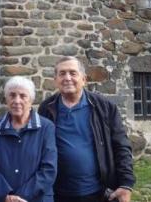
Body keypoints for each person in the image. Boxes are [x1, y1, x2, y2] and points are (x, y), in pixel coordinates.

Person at [38, 57, 135, 202]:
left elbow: (121, 146)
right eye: (62, 73)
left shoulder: (104, 107)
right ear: (55, 80)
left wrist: (126, 184)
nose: (67, 78)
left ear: (84, 79)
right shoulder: (46, 109)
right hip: (59, 193)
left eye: (73, 73)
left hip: (99, 192)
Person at [0, 76, 57, 202]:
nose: (17, 100)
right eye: (12, 95)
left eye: (23, 96)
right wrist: (6, 194)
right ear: (6, 98)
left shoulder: (46, 127)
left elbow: (49, 169)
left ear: (31, 100)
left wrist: (21, 197)